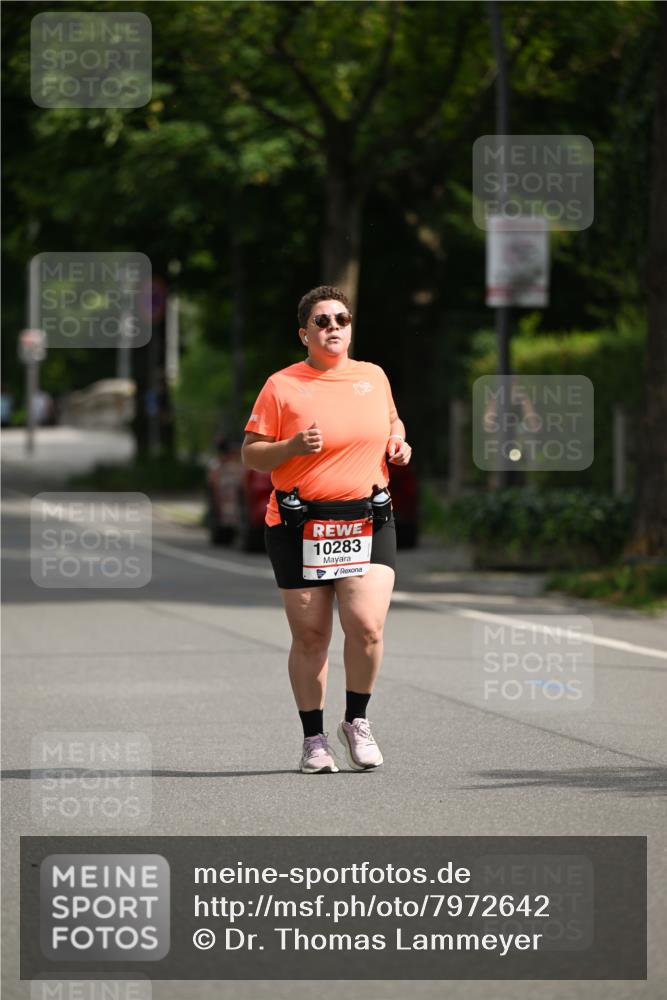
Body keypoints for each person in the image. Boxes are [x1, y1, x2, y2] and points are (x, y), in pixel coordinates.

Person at [241, 285, 412, 773]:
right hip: (299, 524)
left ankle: (356, 721)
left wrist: (399, 444)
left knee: (366, 626)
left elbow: (393, 423)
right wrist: (291, 446)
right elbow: (250, 454)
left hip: (366, 518)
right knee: (312, 637)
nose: (333, 327)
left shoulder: (373, 377)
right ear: (304, 334)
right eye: (322, 321)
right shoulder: (282, 386)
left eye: (341, 319)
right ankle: (314, 739)